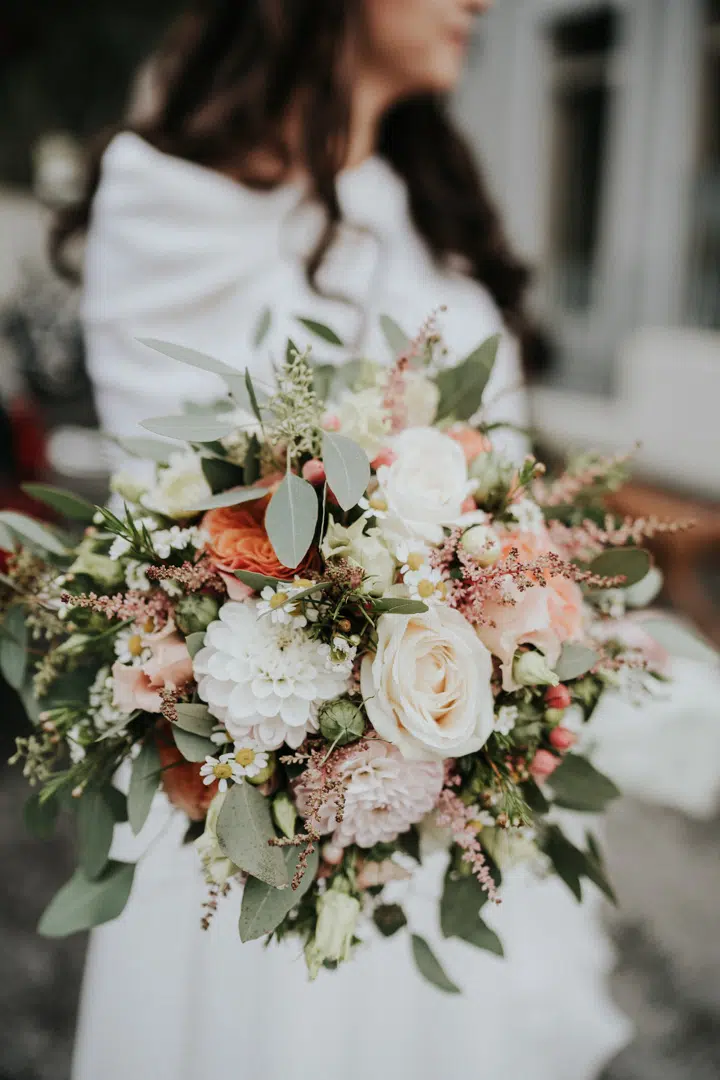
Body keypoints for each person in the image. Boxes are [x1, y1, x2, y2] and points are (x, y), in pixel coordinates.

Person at [54, 2, 719, 1078]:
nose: (481, 4)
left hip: (447, 796)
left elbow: (503, 472)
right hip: (258, 791)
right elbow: (172, 512)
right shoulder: (172, 198)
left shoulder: (432, 207)